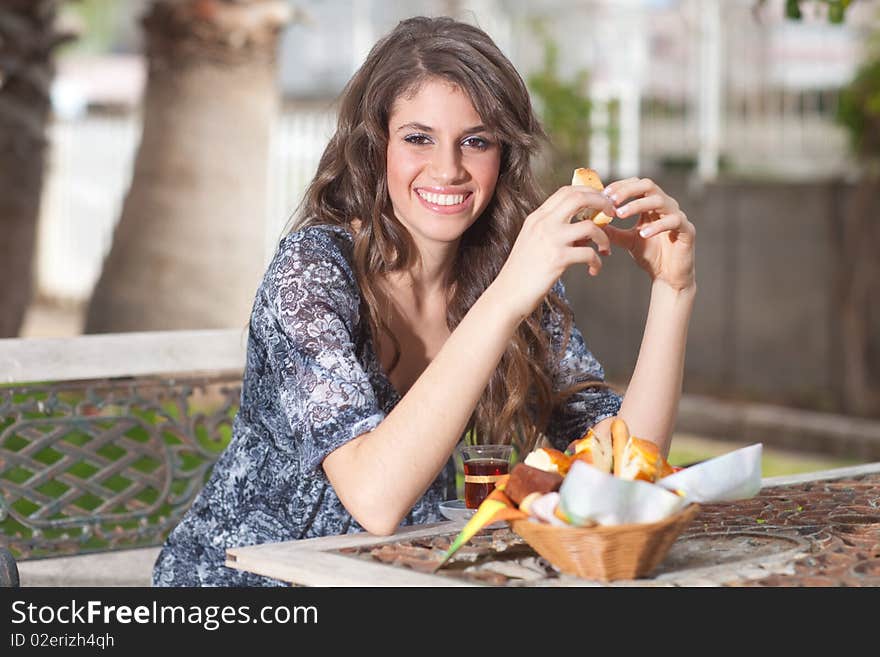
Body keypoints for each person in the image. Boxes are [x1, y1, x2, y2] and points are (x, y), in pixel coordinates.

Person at [152, 15, 696, 587]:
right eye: (418, 138)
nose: (448, 169)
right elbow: (375, 498)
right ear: (376, 147)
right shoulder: (312, 271)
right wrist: (510, 292)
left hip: (399, 579)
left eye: (476, 141)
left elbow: (623, 472)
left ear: (503, 155)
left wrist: (673, 290)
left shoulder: (506, 274)